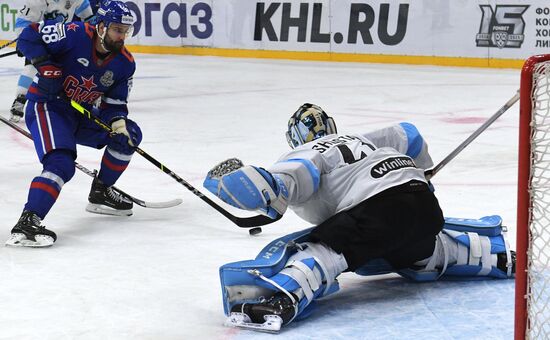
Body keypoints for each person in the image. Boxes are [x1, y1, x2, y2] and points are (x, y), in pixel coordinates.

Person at [204, 103, 516, 332]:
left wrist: (227, 180)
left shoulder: (306, 153)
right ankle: (497, 256)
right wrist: (420, 171)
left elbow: (269, 191)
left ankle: (284, 298)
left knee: (323, 250)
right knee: (422, 254)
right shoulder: (364, 138)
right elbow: (410, 135)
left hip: (376, 210)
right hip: (424, 203)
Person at [6, 0, 139, 248]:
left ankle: (101, 191)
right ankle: (28, 221)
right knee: (60, 163)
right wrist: (45, 66)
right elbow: (28, 36)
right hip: (48, 106)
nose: (122, 36)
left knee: (130, 134)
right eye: (118, 30)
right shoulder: (73, 34)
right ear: (102, 26)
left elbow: (115, 105)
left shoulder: (125, 63)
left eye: (126, 31)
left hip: (81, 112)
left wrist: (118, 124)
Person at [9, 0, 95, 123]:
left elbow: (90, 19)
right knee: (32, 67)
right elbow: (22, 23)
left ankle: (83, 99)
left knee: (74, 66)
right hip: (39, 40)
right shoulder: (36, 1)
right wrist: (24, 43)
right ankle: (20, 99)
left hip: (62, 40)